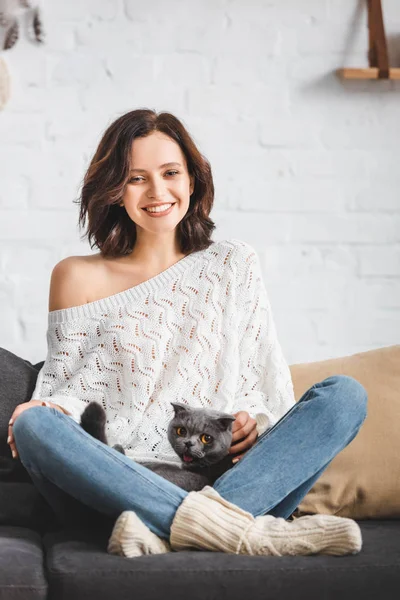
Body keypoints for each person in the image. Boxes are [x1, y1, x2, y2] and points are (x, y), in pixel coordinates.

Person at [7, 109, 367, 558]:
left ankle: (169, 531)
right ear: (116, 190)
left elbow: (263, 389)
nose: (158, 192)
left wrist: (249, 424)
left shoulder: (233, 264)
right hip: (117, 481)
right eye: (137, 178)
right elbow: (69, 390)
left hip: (225, 479)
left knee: (345, 396)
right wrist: (49, 405)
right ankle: (239, 533)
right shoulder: (75, 276)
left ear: (192, 180)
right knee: (35, 424)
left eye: (170, 173)